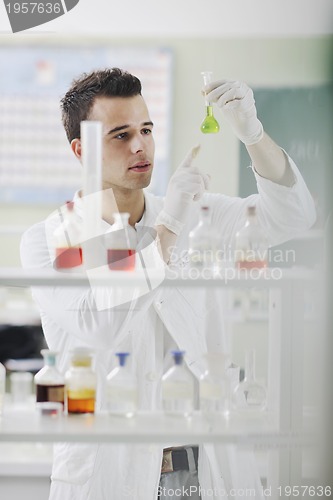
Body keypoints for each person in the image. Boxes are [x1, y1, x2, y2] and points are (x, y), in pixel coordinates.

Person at [20, 68, 316, 500]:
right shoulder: (58, 233)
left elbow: (293, 216)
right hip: (110, 474)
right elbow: (102, 323)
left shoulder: (197, 214)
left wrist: (253, 135)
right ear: (81, 151)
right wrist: (170, 228)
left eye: (146, 129)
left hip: (205, 468)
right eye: (120, 135)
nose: (140, 145)